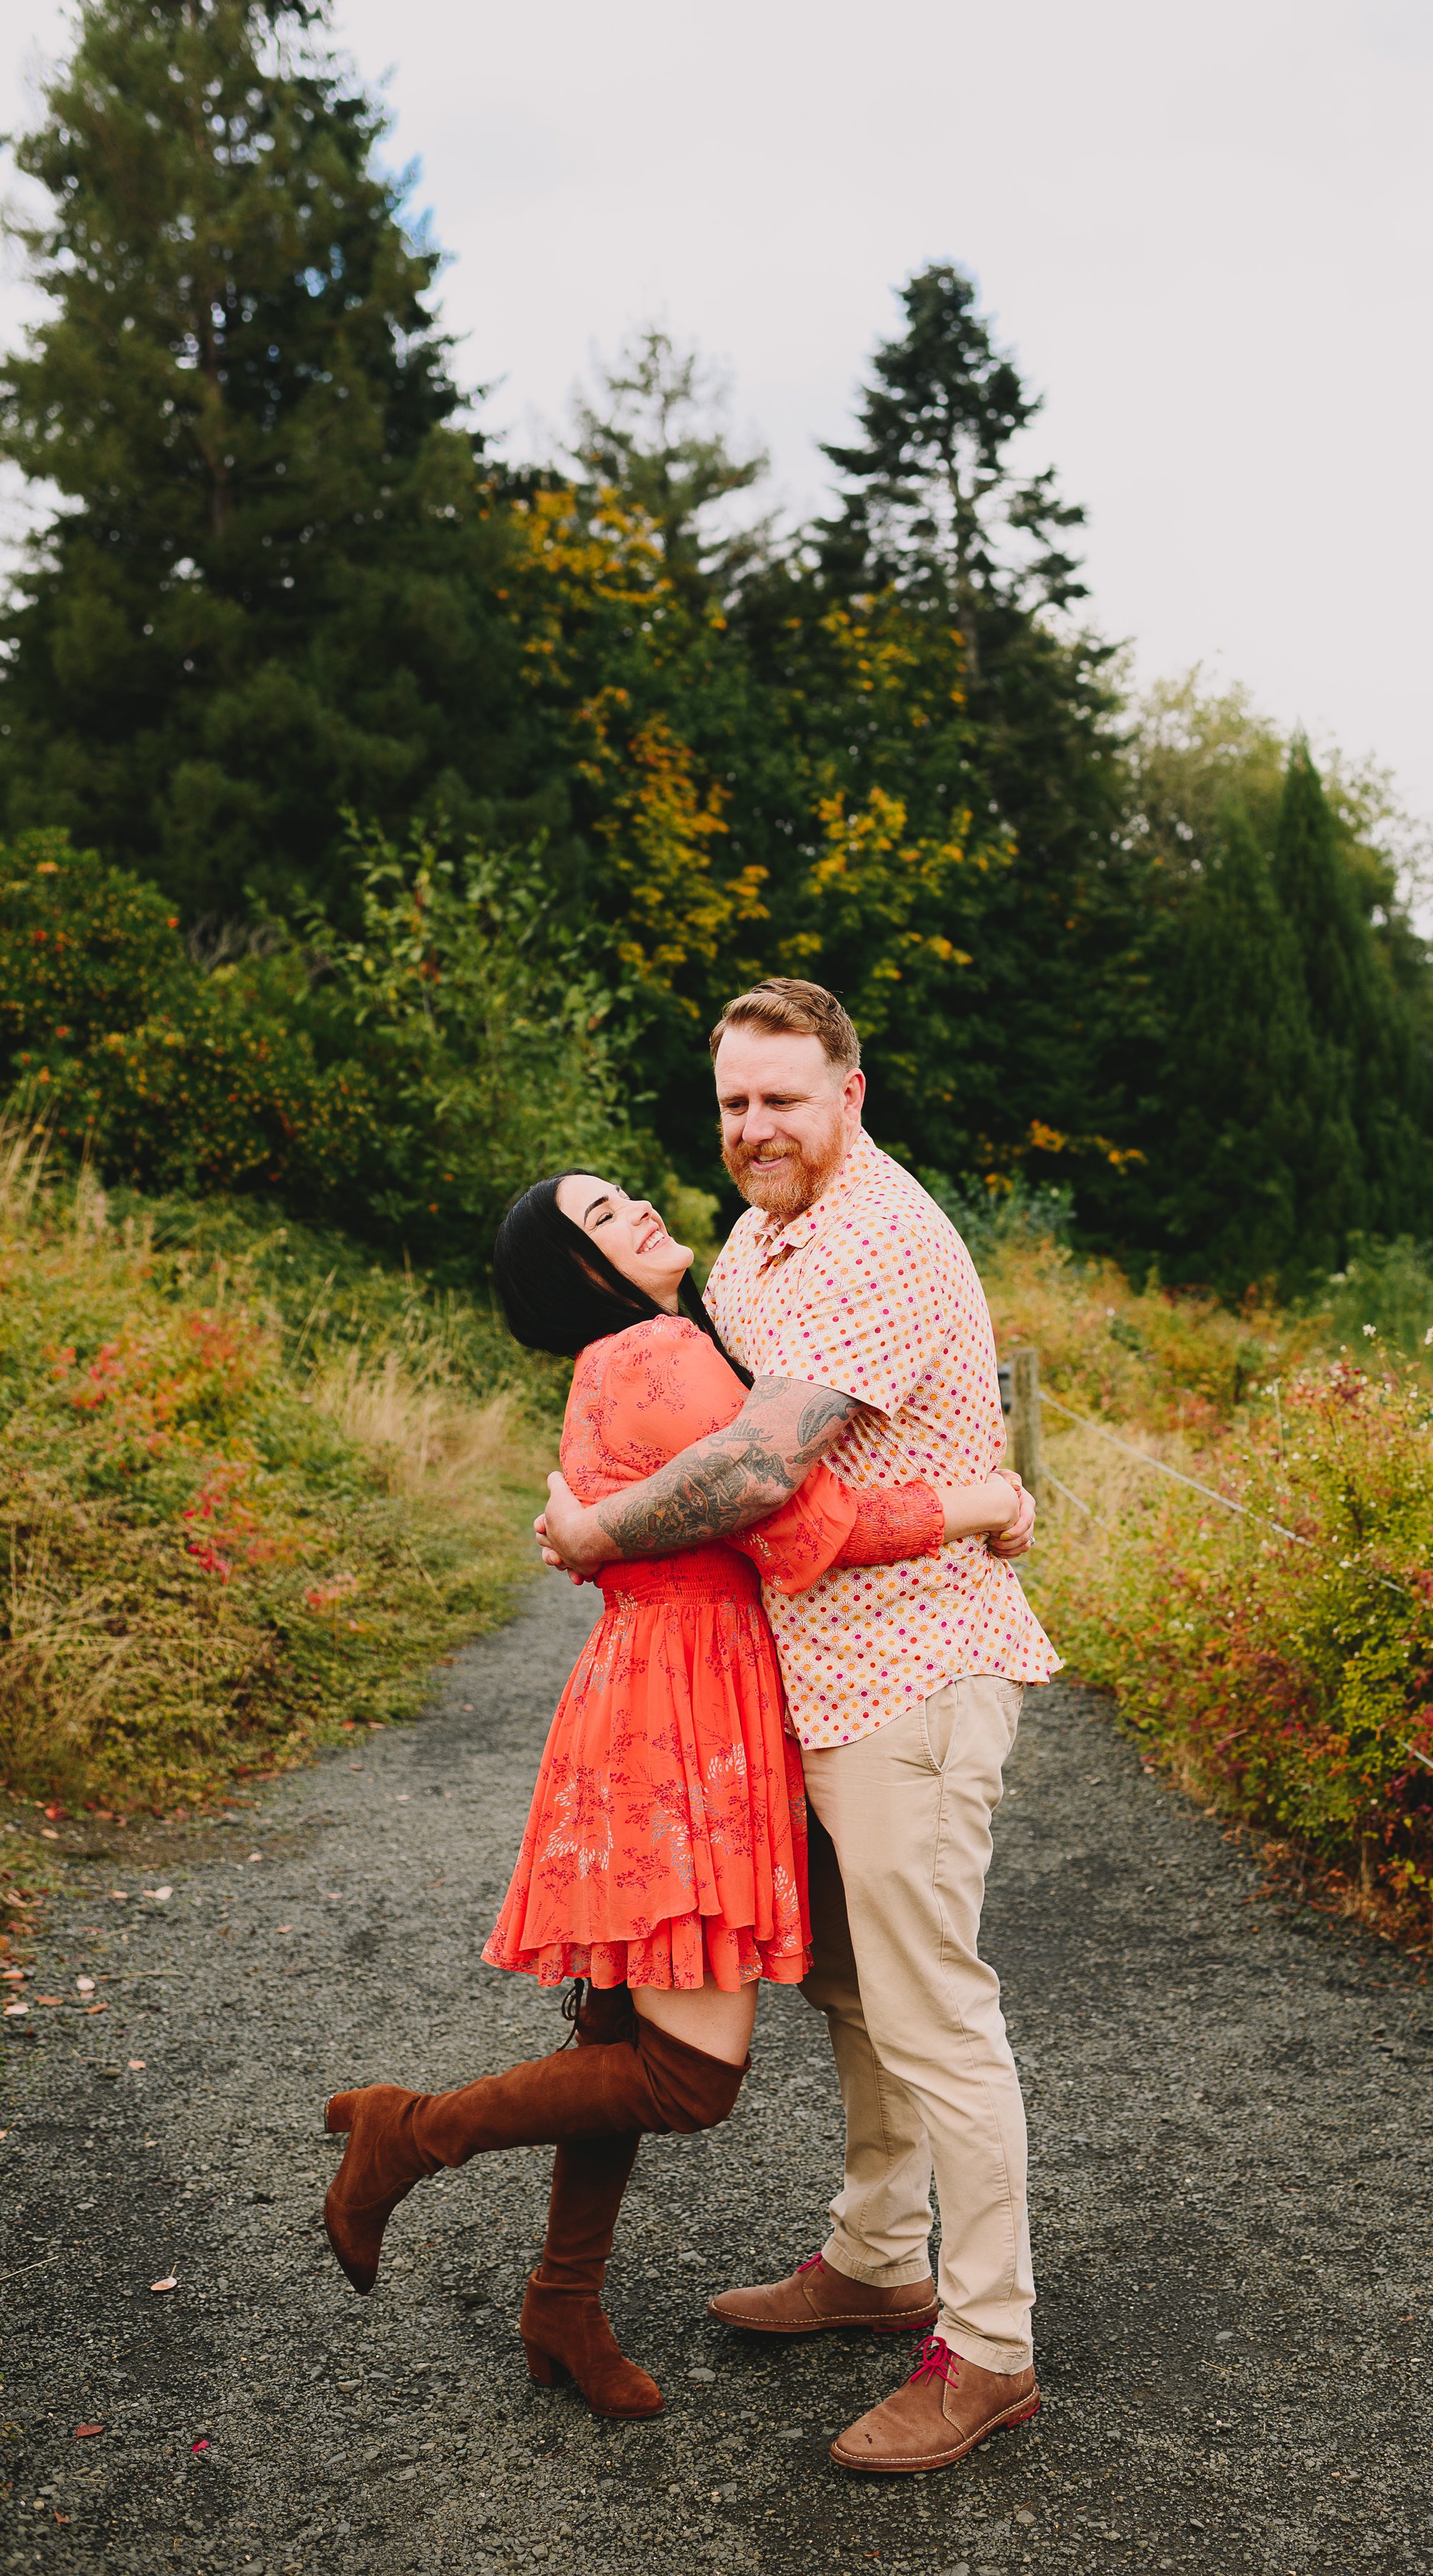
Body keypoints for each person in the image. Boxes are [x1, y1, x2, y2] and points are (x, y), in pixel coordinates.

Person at [320, 1166, 1029, 2423]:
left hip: (653, 1697)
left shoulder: (633, 1357)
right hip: (682, 1716)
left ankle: (564, 2298)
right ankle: (408, 2132)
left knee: (620, 2035)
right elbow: (807, 1528)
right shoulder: (657, 1354)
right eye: (599, 1220)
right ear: (577, 1273)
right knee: (689, 2075)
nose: (636, 1211)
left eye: (622, 1195)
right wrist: (983, 1501)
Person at [536, 977, 1059, 2475]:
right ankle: (876, 2257)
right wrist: (977, 1491)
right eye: (733, 1105)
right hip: (810, 1685)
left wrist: (591, 1533)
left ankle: (989, 2345)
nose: (754, 1128)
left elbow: (759, 1473)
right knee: (848, 1988)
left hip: (909, 1678)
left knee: (935, 2016)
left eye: (782, 1097)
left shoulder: (876, 1242)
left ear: (851, 1093)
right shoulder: (764, 1242)